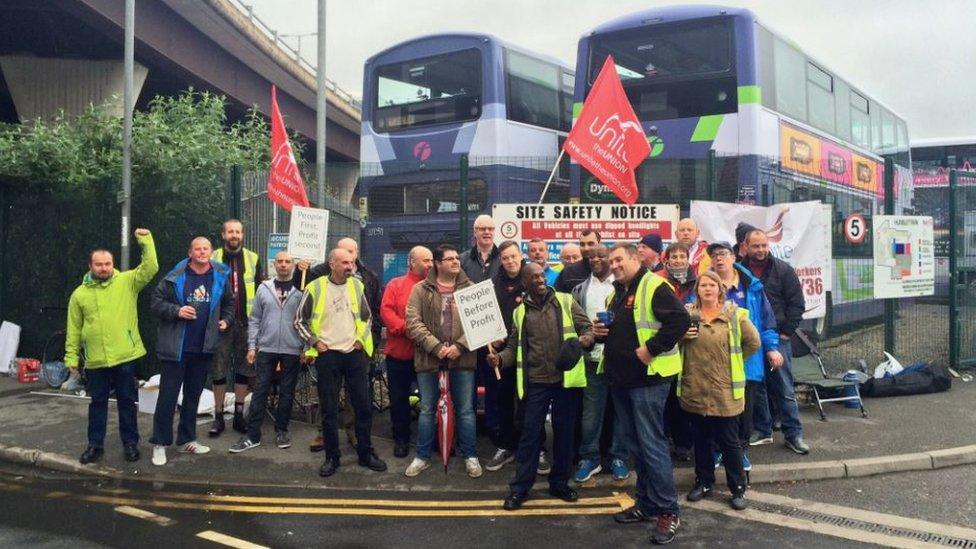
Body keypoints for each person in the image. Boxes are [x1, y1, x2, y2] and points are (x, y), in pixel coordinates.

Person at [593, 243, 689, 546]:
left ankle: (667, 511)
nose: (615, 264)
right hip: (623, 381)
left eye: (619, 259)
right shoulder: (617, 292)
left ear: (636, 259)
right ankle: (647, 505)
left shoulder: (653, 285)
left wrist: (651, 349)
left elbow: (680, 321)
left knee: (652, 445)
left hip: (648, 380)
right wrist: (601, 332)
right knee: (637, 446)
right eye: (612, 261)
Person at [489, 263, 594, 510]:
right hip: (535, 382)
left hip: (564, 380)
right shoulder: (519, 312)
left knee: (564, 435)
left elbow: (586, 328)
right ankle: (520, 488)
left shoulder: (566, 301)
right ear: (524, 283)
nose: (539, 279)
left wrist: (585, 339)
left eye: (540, 275)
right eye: (533, 277)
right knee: (529, 436)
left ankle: (559, 483)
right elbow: (512, 346)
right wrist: (499, 359)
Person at [65, 228, 158, 464]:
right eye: (99, 264)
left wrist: (145, 241)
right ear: (90, 266)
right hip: (96, 359)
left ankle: (130, 444)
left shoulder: (127, 282)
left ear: (113, 264)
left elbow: (150, 268)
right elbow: (74, 329)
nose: (104, 268)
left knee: (127, 401)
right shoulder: (79, 295)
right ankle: (95, 445)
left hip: (125, 356)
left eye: (107, 263)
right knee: (97, 404)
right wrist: (71, 358)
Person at [294, 247, 387, 477]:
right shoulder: (315, 287)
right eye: (344, 263)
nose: (349, 267)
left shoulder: (357, 285)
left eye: (351, 263)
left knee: (363, 407)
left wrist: (360, 339)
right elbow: (299, 321)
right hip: (328, 355)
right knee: (329, 409)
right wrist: (315, 342)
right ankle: (332, 457)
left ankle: (365, 454)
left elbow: (367, 317)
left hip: (354, 353)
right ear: (332, 264)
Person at [149, 237, 234, 466]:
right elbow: (155, 303)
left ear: (211, 252)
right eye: (198, 248)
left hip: (203, 348)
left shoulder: (220, 276)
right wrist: (177, 311)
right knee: (168, 397)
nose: (202, 252)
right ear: (190, 252)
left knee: (193, 397)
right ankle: (160, 443)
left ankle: (187, 439)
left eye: (206, 248)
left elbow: (229, 304)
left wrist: (226, 320)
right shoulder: (174, 276)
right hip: (176, 349)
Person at [679, 271, 760, 511]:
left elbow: (753, 342)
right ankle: (704, 482)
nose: (707, 289)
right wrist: (682, 337)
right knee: (701, 440)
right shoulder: (687, 315)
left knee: (729, 441)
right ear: (697, 290)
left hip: (724, 388)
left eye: (711, 285)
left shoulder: (734, 315)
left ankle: (737, 488)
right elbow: (672, 343)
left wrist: (732, 361)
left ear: (719, 289)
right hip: (695, 387)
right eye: (702, 285)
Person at [404, 245, 482, 478]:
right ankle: (422, 456)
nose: (456, 262)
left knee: (466, 410)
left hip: (463, 359)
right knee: (427, 409)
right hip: (429, 359)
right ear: (438, 263)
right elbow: (412, 323)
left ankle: (470, 456)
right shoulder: (420, 289)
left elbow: (479, 323)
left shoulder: (472, 290)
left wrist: (459, 346)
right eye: (450, 259)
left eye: (458, 258)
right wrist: (436, 347)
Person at [708, 241, 782, 470]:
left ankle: (740, 452)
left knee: (744, 411)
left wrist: (771, 348)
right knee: (715, 410)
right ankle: (717, 452)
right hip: (715, 361)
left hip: (747, 360)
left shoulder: (753, 287)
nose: (719, 258)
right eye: (714, 255)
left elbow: (766, 321)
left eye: (723, 254)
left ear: (733, 257)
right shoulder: (704, 286)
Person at [740, 230, 810, 455]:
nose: (760, 250)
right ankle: (763, 429)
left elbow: (797, 303)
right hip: (749, 339)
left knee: (785, 388)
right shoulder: (739, 271)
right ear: (746, 246)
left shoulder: (783, 270)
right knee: (757, 387)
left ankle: (793, 434)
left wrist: (786, 333)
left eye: (763, 245)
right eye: (755, 246)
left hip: (777, 338)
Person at [229, 251, 305, 453]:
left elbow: (307, 322)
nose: (283, 265)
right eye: (279, 261)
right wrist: (252, 346)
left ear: (293, 265)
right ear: (274, 264)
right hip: (267, 348)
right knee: (260, 390)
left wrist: (306, 348)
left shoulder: (302, 290)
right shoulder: (264, 288)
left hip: (292, 348)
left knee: (287, 392)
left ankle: (282, 430)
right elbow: (254, 320)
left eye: (288, 261)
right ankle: (253, 435)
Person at [571, 243, 630, 482]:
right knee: (591, 414)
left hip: (620, 360)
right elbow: (574, 324)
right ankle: (589, 458)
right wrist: (587, 332)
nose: (595, 259)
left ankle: (619, 457)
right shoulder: (579, 290)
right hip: (592, 360)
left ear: (611, 259)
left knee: (621, 413)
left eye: (601, 255)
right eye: (591, 256)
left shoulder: (624, 287)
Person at [209, 219, 264, 438]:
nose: (234, 235)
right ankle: (219, 416)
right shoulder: (212, 258)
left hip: (246, 323)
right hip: (220, 323)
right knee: (219, 369)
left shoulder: (253, 258)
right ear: (223, 235)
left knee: (245, 369)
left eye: (238, 232)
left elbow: (261, 291)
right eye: (230, 232)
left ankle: (239, 414)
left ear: (242, 235)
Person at [380, 246, 433, 458]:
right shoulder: (396, 285)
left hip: (428, 357)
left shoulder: (435, 287)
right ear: (412, 262)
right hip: (400, 355)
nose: (430, 264)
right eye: (426, 260)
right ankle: (401, 439)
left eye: (431, 261)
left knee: (430, 401)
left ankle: (432, 439)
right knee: (399, 399)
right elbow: (386, 311)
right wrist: (409, 329)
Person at [485, 240, 529, 472]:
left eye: (513, 256)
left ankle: (534, 448)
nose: (510, 261)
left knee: (528, 402)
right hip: (501, 353)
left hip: (530, 352)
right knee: (503, 401)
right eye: (505, 258)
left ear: (520, 256)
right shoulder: (493, 284)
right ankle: (505, 446)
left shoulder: (532, 277)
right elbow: (486, 317)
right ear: (500, 260)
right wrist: (493, 337)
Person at [461, 214, 501, 283]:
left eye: (490, 229)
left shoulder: (503, 258)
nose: (487, 232)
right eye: (482, 229)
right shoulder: (463, 259)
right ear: (475, 233)